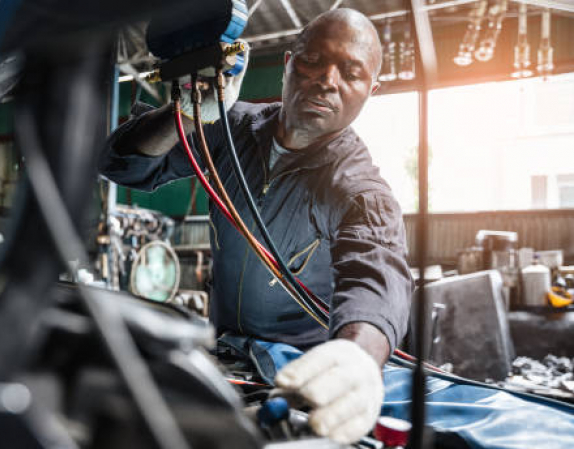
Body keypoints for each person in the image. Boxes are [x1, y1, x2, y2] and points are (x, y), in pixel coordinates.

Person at [99, 8, 412, 444]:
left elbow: (377, 278)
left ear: (371, 90)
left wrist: (358, 358)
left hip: (299, 375)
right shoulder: (230, 128)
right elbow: (121, 165)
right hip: (224, 354)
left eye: (351, 72)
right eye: (313, 61)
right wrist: (186, 116)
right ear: (288, 63)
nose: (327, 80)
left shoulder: (357, 187)